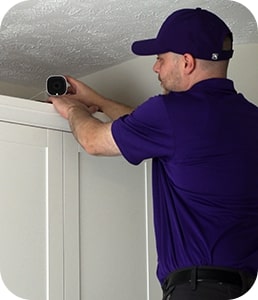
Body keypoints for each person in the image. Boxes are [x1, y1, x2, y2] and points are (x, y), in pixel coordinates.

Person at [49, 7, 258, 300]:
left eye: (160, 58)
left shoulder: (170, 113)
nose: (155, 68)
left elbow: (93, 141)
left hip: (197, 290)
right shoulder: (249, 118)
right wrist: (96, 100)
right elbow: (153, 132)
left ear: (186, 62)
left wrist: (72, 110)